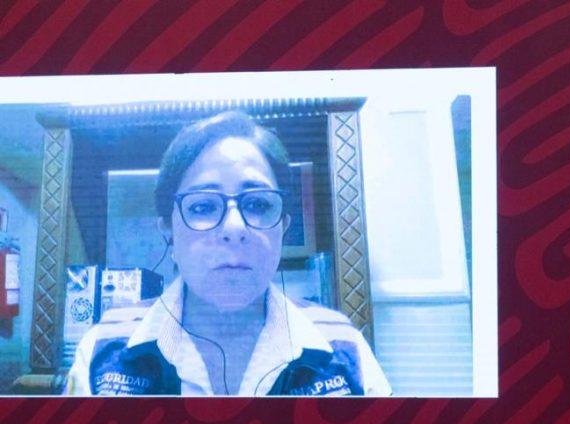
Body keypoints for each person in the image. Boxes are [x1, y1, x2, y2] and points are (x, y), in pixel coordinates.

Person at [66, 111, 390, 397]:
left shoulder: (345, 349)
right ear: (167, 228)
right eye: (203, 206)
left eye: (258, 204)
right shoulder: (102, 352)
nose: (235, 228)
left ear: (283, 226)